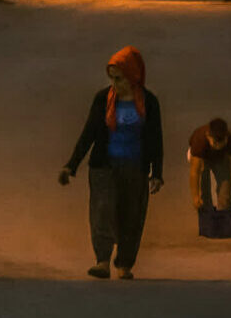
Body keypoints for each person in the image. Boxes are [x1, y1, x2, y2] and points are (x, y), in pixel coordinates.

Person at [59, 45, 163, 278]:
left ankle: (124, 264)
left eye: (120, 78)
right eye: (112, 79)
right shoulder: (102, 99)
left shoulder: (149, 102)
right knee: (102, 211)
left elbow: (156, 139)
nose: (115, 84)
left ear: (133, 76)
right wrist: (71, 165)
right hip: (103, 167)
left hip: (135, 167)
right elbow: (89, 134)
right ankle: (102, 261)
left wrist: (157, 173)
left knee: (131, 216)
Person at [187, 118, 231, 212]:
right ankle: (206, 212)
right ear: (208, 136)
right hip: (202, 157)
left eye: (222, 143)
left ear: (226, 137)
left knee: (225, 187)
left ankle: (225, 214)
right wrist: (195, 196)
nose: (218, 146)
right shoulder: (199, 140)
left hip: (221, 158)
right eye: (215, 143)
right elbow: (194, 172)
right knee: (203, 185)